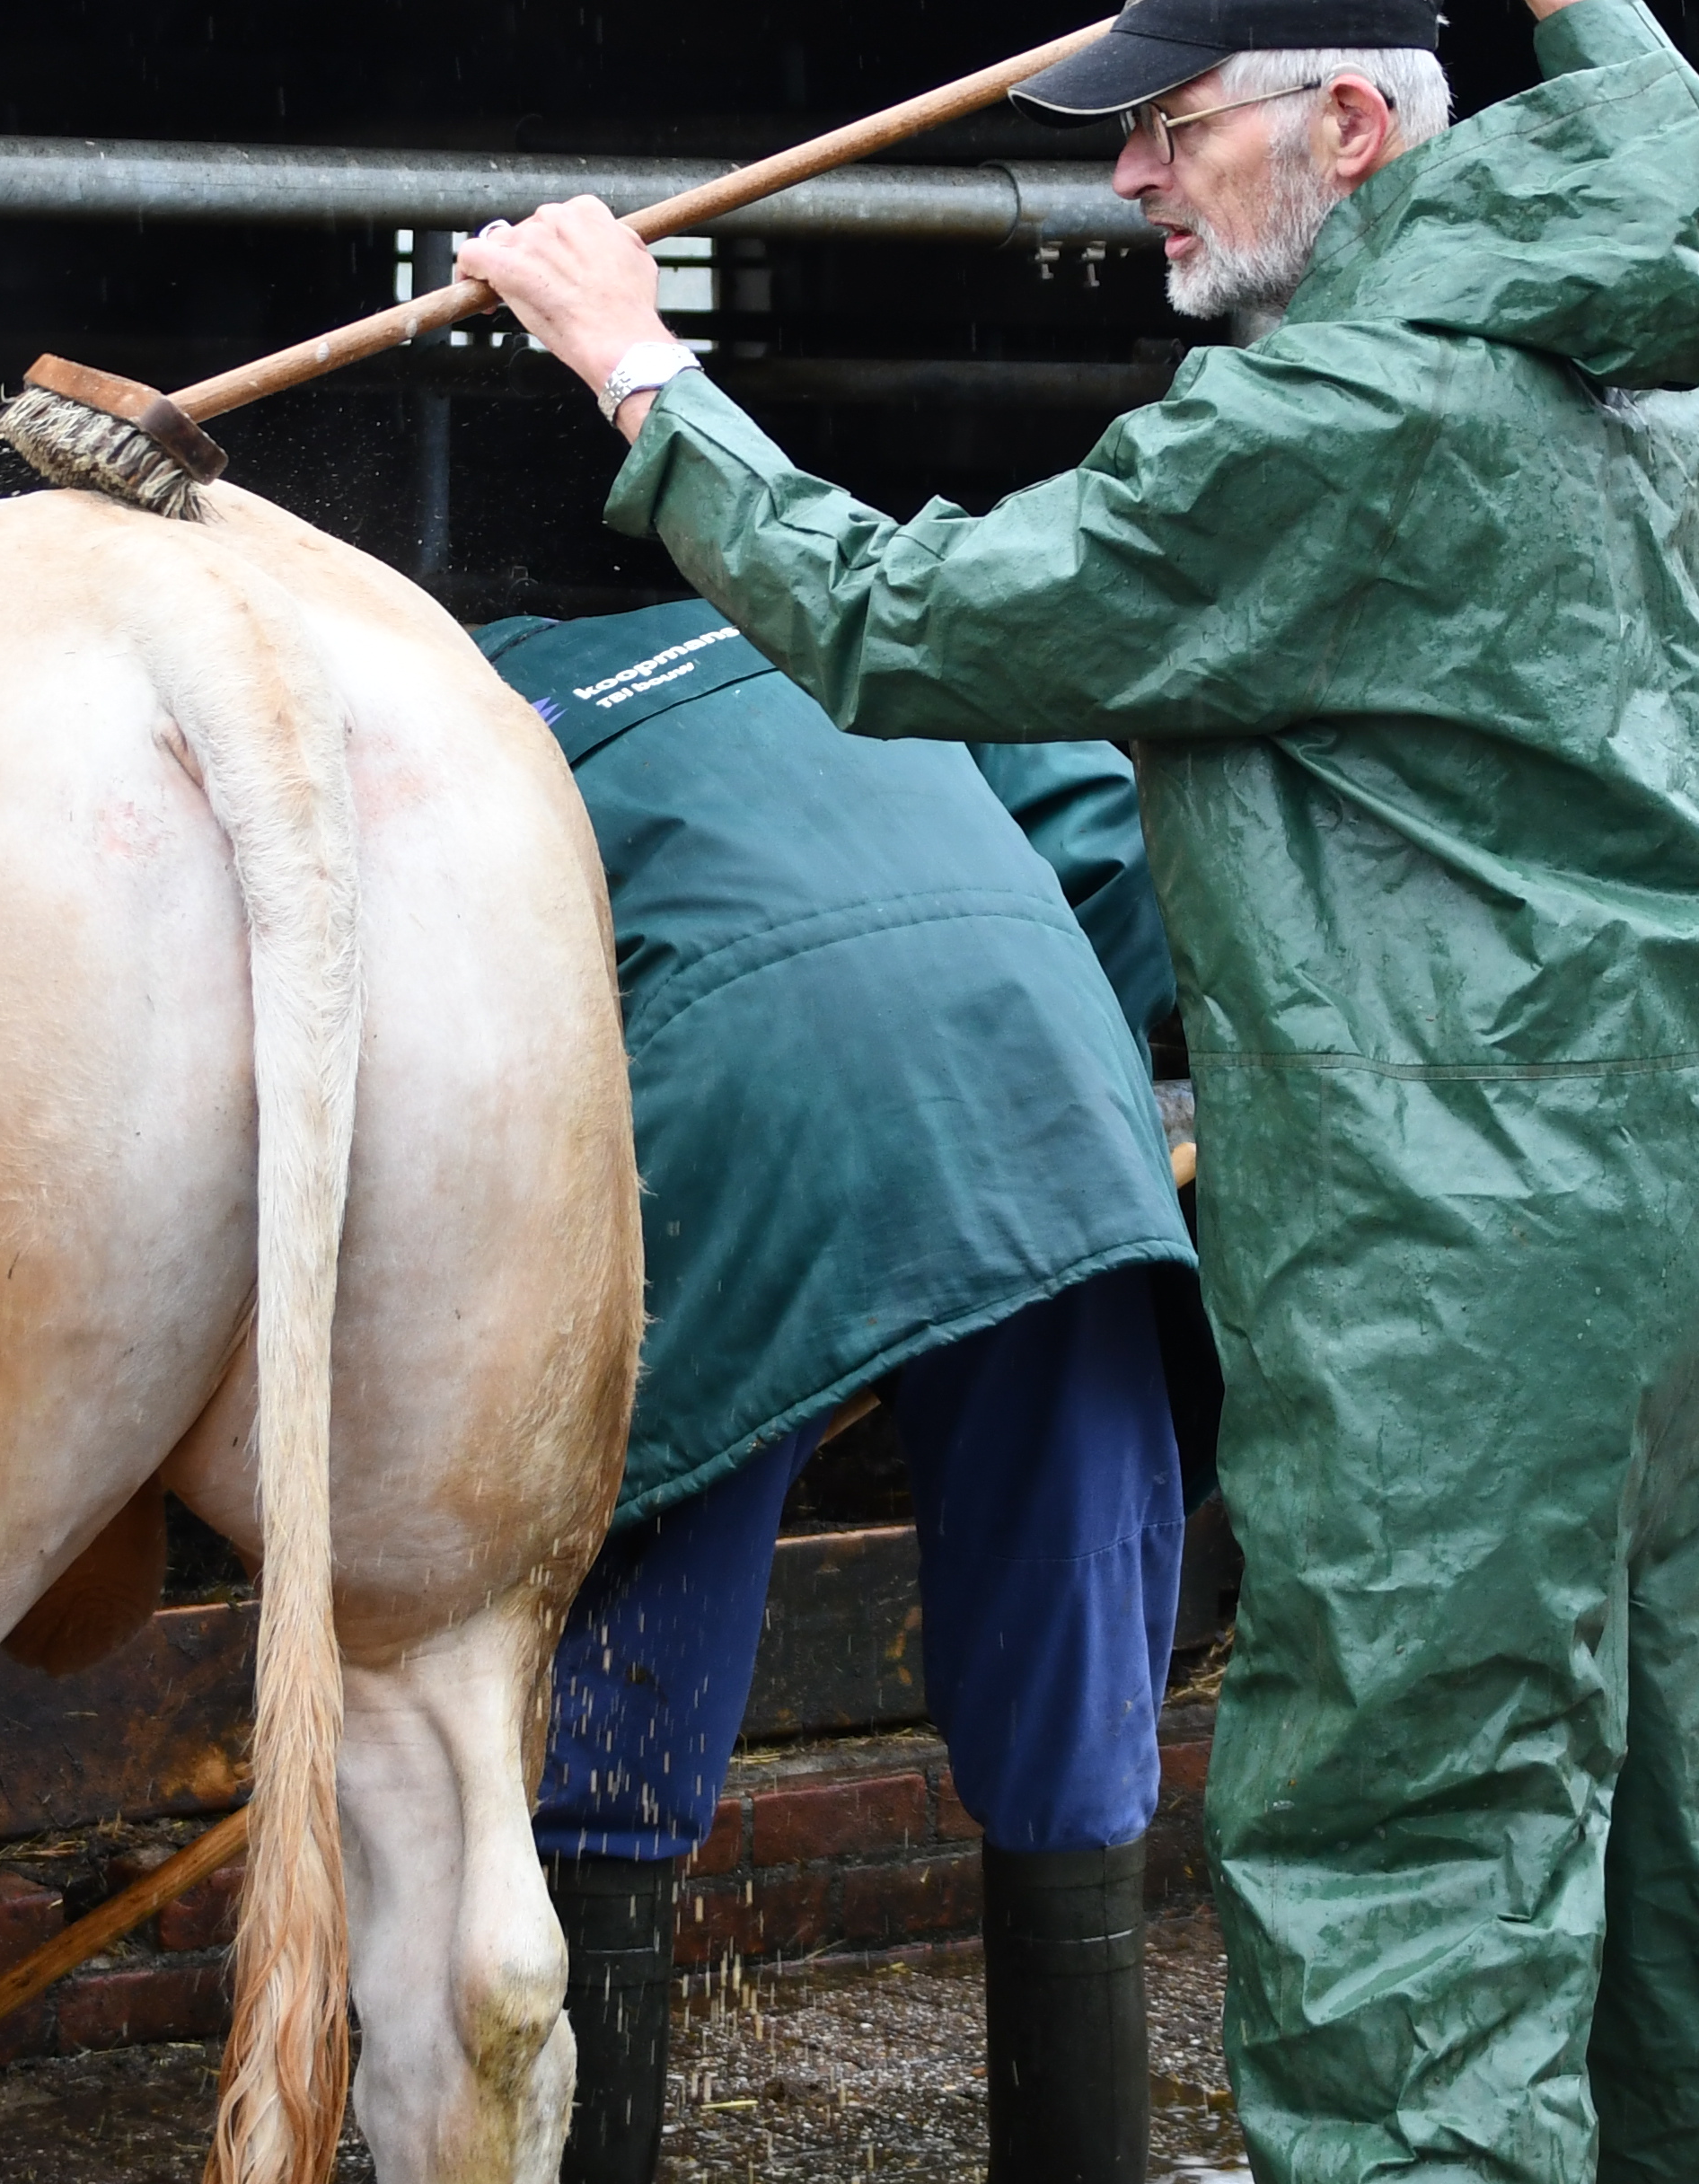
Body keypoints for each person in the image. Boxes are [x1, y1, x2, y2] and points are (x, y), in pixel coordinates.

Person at [462, 0, 1699, 2183]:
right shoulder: (1665, 344)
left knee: (1413, 1875)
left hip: (1461, 1253)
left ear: (1338, 120)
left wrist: (636, 378)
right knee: (1653, 1855)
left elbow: (903, 629)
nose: (1133, 185)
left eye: (1173, 130)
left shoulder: (1326, 423)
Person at [472, 602, 1208, 2184]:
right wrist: (1046, 1048)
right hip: (1048, 1098)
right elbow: (1108, 836)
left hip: (729, 1122)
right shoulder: (813, 627)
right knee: (1074, 1677)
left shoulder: (460, 698)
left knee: (622, 1671)